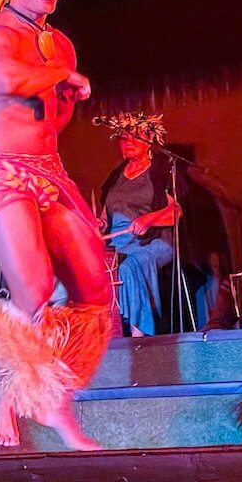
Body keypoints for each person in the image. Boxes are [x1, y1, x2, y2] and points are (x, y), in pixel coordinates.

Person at [0, 0, 112, 450]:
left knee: (94, 293)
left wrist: (64, 95)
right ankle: (17, 392)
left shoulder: (59, 42)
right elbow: (5, 81)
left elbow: (50, 120)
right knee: (36, 288)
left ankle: (46, 392)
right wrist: (61, 73)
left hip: (49, 170)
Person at [99, 112, 179, 337]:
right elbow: (105, 217)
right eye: (124, 138)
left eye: (135, 137)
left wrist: (149, 219)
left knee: (129, 267)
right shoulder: (115, 176)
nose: (129, 142)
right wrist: (99, 223)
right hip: (118, 245)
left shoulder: (161, 171)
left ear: (150, 140)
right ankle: (107, 336)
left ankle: (139, 336)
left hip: (153, 242)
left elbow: (176, 212)